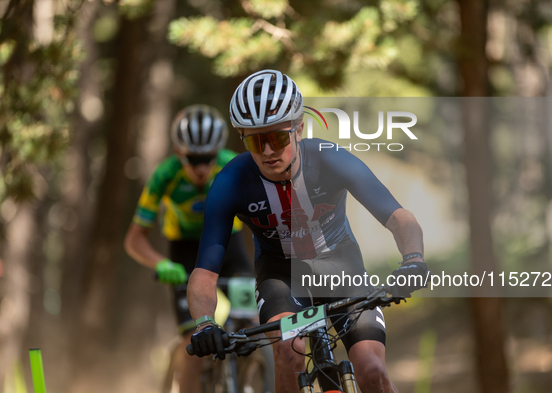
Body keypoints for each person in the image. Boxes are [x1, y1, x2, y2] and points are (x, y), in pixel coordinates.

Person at [186, 70, 429, 393]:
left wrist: (412, 259)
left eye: (278, 138)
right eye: (256, 141)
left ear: (298, 129)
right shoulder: (231, 181)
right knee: (288, 353)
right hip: (280, 276)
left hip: (342, 265)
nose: (268, 150)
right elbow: (204, 273)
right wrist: (205, 323)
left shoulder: (328, 158)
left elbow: (399, 218)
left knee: (371, 369)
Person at [124, 104, 253, 393]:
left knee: (252, 322)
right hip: (184, 253)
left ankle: (253, 377)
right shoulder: (165, 175)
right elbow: (134, 239)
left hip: (228, 248)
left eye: (208, 158)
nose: (202, 168)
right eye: (193, 159)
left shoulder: (234, 165)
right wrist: (160, 263)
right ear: (178, 152)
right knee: (193, 344)